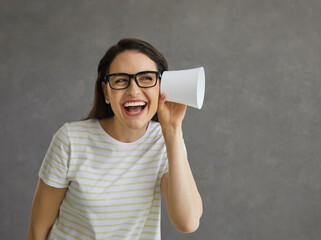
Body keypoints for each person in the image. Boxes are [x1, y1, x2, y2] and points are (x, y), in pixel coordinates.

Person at [27, 38, 203, 240]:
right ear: (106, 92)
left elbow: (187, 222)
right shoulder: (70, 140)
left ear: (162, 87)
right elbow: (37, 231)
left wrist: (172, 131)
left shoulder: (165, 142)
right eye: (120, 80)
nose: (134, 90)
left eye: (146, 78)